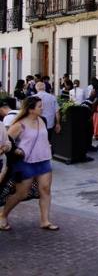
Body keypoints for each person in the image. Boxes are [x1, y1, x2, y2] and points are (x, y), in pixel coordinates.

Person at [0, 96, 58, 231]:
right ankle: (3, 214)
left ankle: (45, 221)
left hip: (43, 160)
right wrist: (17, 151)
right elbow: (7, 143)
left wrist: (48, 146)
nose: (42, 108)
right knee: (22, 193)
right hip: (26, 162)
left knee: (45, 190)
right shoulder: (19, 124)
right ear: (31, 109)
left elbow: (45, 137)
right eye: (39, 106)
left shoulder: (42, 120)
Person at [33, 82, 60, 146]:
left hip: (36, 123)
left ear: (36, 88)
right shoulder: (52, 97)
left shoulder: (32, 98)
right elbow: (57, 111)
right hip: (49, 123)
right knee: (48, 141)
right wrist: (58, 123)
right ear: (45, 88)